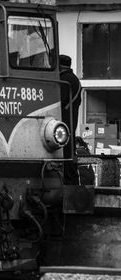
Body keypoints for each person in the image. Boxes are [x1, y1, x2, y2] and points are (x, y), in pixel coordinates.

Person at [59, 54, 82, 184]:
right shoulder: (75, 79)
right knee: (70, 153)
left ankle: (70, 182)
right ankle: (73, 182)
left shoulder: (64, 80)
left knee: (66, 153)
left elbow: (59, 101)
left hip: (63, 121)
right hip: (70, 122)